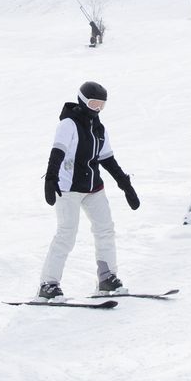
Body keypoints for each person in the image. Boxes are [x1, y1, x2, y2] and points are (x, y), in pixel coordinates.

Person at [37, 81, 140, 300]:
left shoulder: (98, 127)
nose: (97, 109)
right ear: (82, 100)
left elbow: (107, 159)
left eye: (101, 105)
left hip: (94, 187)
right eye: (94, 104)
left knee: (105, 230)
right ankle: (48, 284)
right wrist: (51, 176)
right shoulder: (68, 124)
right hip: (68, 188)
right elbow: (58, 151)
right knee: (67, 234)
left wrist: (125, 184)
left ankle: (107, 277)